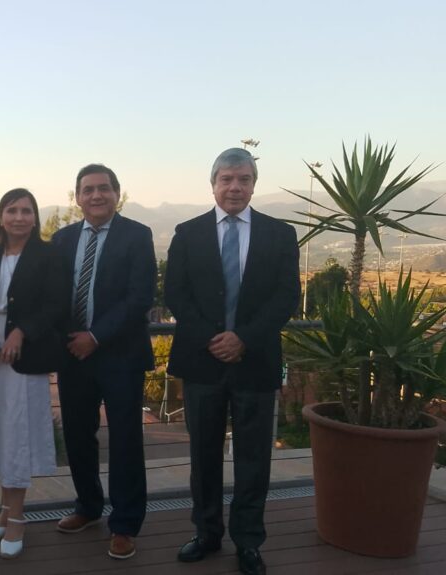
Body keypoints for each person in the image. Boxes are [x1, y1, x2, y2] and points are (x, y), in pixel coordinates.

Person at [165, 148, 300, 575]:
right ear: (213, 185)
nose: (235, 187)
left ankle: (248, 542)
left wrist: (243, 338)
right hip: (202, 363)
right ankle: (206, 534)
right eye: (226, 179)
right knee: (203, 457)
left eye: (243, 179)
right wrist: (214, 339)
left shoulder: (281, 234)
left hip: (255, 362)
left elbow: (286, 297)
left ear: (254, 185)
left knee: (254, 460)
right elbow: (176, 295)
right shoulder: (187, 233)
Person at [51, 164, 156, 560]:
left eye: (104, 188)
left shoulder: (138, 235)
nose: (96, 195)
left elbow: (140, 297)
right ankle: (88, 506)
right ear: (77, 197)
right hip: (73, 356)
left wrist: (94, 337)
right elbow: (52, 296)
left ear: (116, 193)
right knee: (78, 435)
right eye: (88, 189)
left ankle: (125, 524)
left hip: (120, 356)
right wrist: (68, 338)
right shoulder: (62, 239)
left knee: (126, 440)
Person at [0, 188, 67, 559]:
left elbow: (55, 304)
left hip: (26, 356)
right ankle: (6, 510)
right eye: (12, 210)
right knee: (0, 431)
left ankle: (18, 517)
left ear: (35, 218)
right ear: (1, 217)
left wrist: (21, 331)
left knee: (18, 431)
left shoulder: (49, 256)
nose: (19, 217)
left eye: (26, 211)